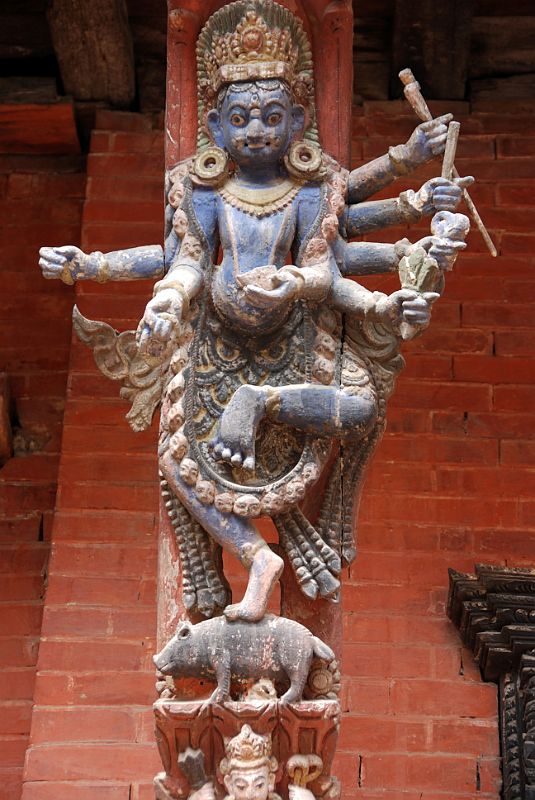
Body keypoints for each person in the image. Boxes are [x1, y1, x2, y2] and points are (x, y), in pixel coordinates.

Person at [38, 0, 469, 622]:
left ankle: (262, 407)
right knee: (178, 455)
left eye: (272, 117)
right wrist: (119, 277)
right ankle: (257, 551)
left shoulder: (312, 191)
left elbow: (326, 263)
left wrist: (326, 285)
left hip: (295, 335)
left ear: (297, 121)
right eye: (241, 118)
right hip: (216, 341)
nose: (258, 131)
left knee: (361, 408)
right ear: (214, 127)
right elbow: (184, 259)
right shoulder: (201, 190)